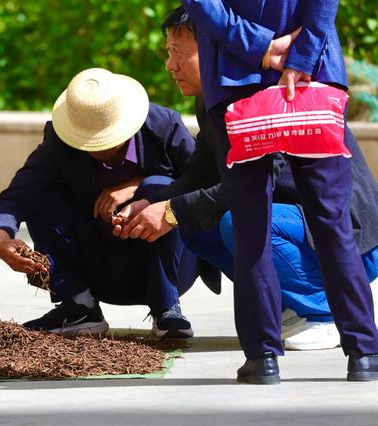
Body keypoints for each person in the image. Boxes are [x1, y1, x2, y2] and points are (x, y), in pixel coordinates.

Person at [118, 7, 378, 352]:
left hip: (355, 241)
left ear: (213, 46)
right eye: (168, 53)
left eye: (179, 53)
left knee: (240, 221)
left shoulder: (271, 101)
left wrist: (172, 210)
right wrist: (153, 204)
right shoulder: (212, 101)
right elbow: (201, 170)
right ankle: (284, 309)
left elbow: (257, 182)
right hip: (298, 229)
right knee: (198, 222)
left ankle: (325, 313)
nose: (170, 65)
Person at [0, 67, 204, 338]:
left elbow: (202, 181)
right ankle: (80, 307)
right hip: (98, 265)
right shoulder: (59, 141)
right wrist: (1, 236)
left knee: (158, 186)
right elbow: (21, 191)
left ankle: (167, 308)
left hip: (170, 264)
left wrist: (137, 185)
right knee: (42, 194)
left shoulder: (165, 126)